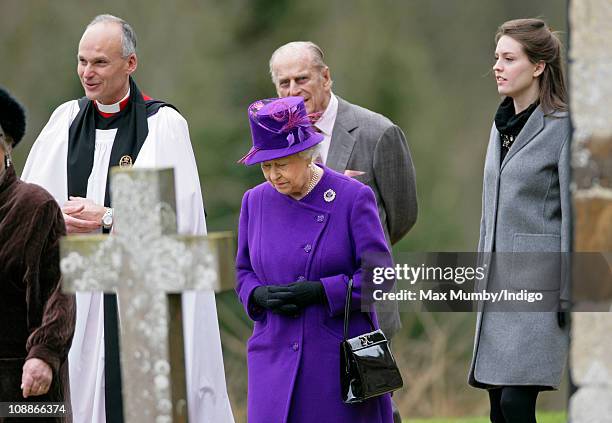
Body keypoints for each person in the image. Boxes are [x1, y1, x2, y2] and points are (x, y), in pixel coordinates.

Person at [21, 15, 234, 423]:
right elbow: (29, 209)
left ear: (130, 64)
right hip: (73, 303)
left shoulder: (162, 126)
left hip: (137, 305)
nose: (87, 72)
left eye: (99, 62)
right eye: (82, 61)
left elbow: (180, 228)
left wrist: (110, 219)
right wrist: (54, 221)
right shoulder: (64, 122)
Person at [269, 41, 417, 423]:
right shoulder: (273, 139)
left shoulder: (377, 131)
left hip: (361, 300)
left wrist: (347, 243)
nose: (292, 91)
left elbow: (402, 215)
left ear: (326, 76)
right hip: (301, 309)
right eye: (283, 82)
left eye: (301, 78)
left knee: (373, 405)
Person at [236, 96, 395, 422]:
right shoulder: (255, 201)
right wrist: (257, 294)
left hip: (335, 359)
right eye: (265, 166)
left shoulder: (351, 197)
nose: (272, 175)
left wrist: (323, 291)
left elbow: (380, 275)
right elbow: (243, 271)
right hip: (274, 356)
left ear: (307, 156)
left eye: (280, 164)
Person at [468, 19, 570, 423]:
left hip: (540, 289)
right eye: (497, 58)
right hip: (494, 288)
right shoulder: (500, 126)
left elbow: (577, 216)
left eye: (509, 59)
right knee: (497, 406)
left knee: (515, 402)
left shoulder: (563, 128)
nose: (498, 66)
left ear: (539, 66)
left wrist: (571, 290)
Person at [0, 87, 75, 422]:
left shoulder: (35, 206)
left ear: (7, 150)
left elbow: (62, 289)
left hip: (26, 386)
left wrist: (45, 355)